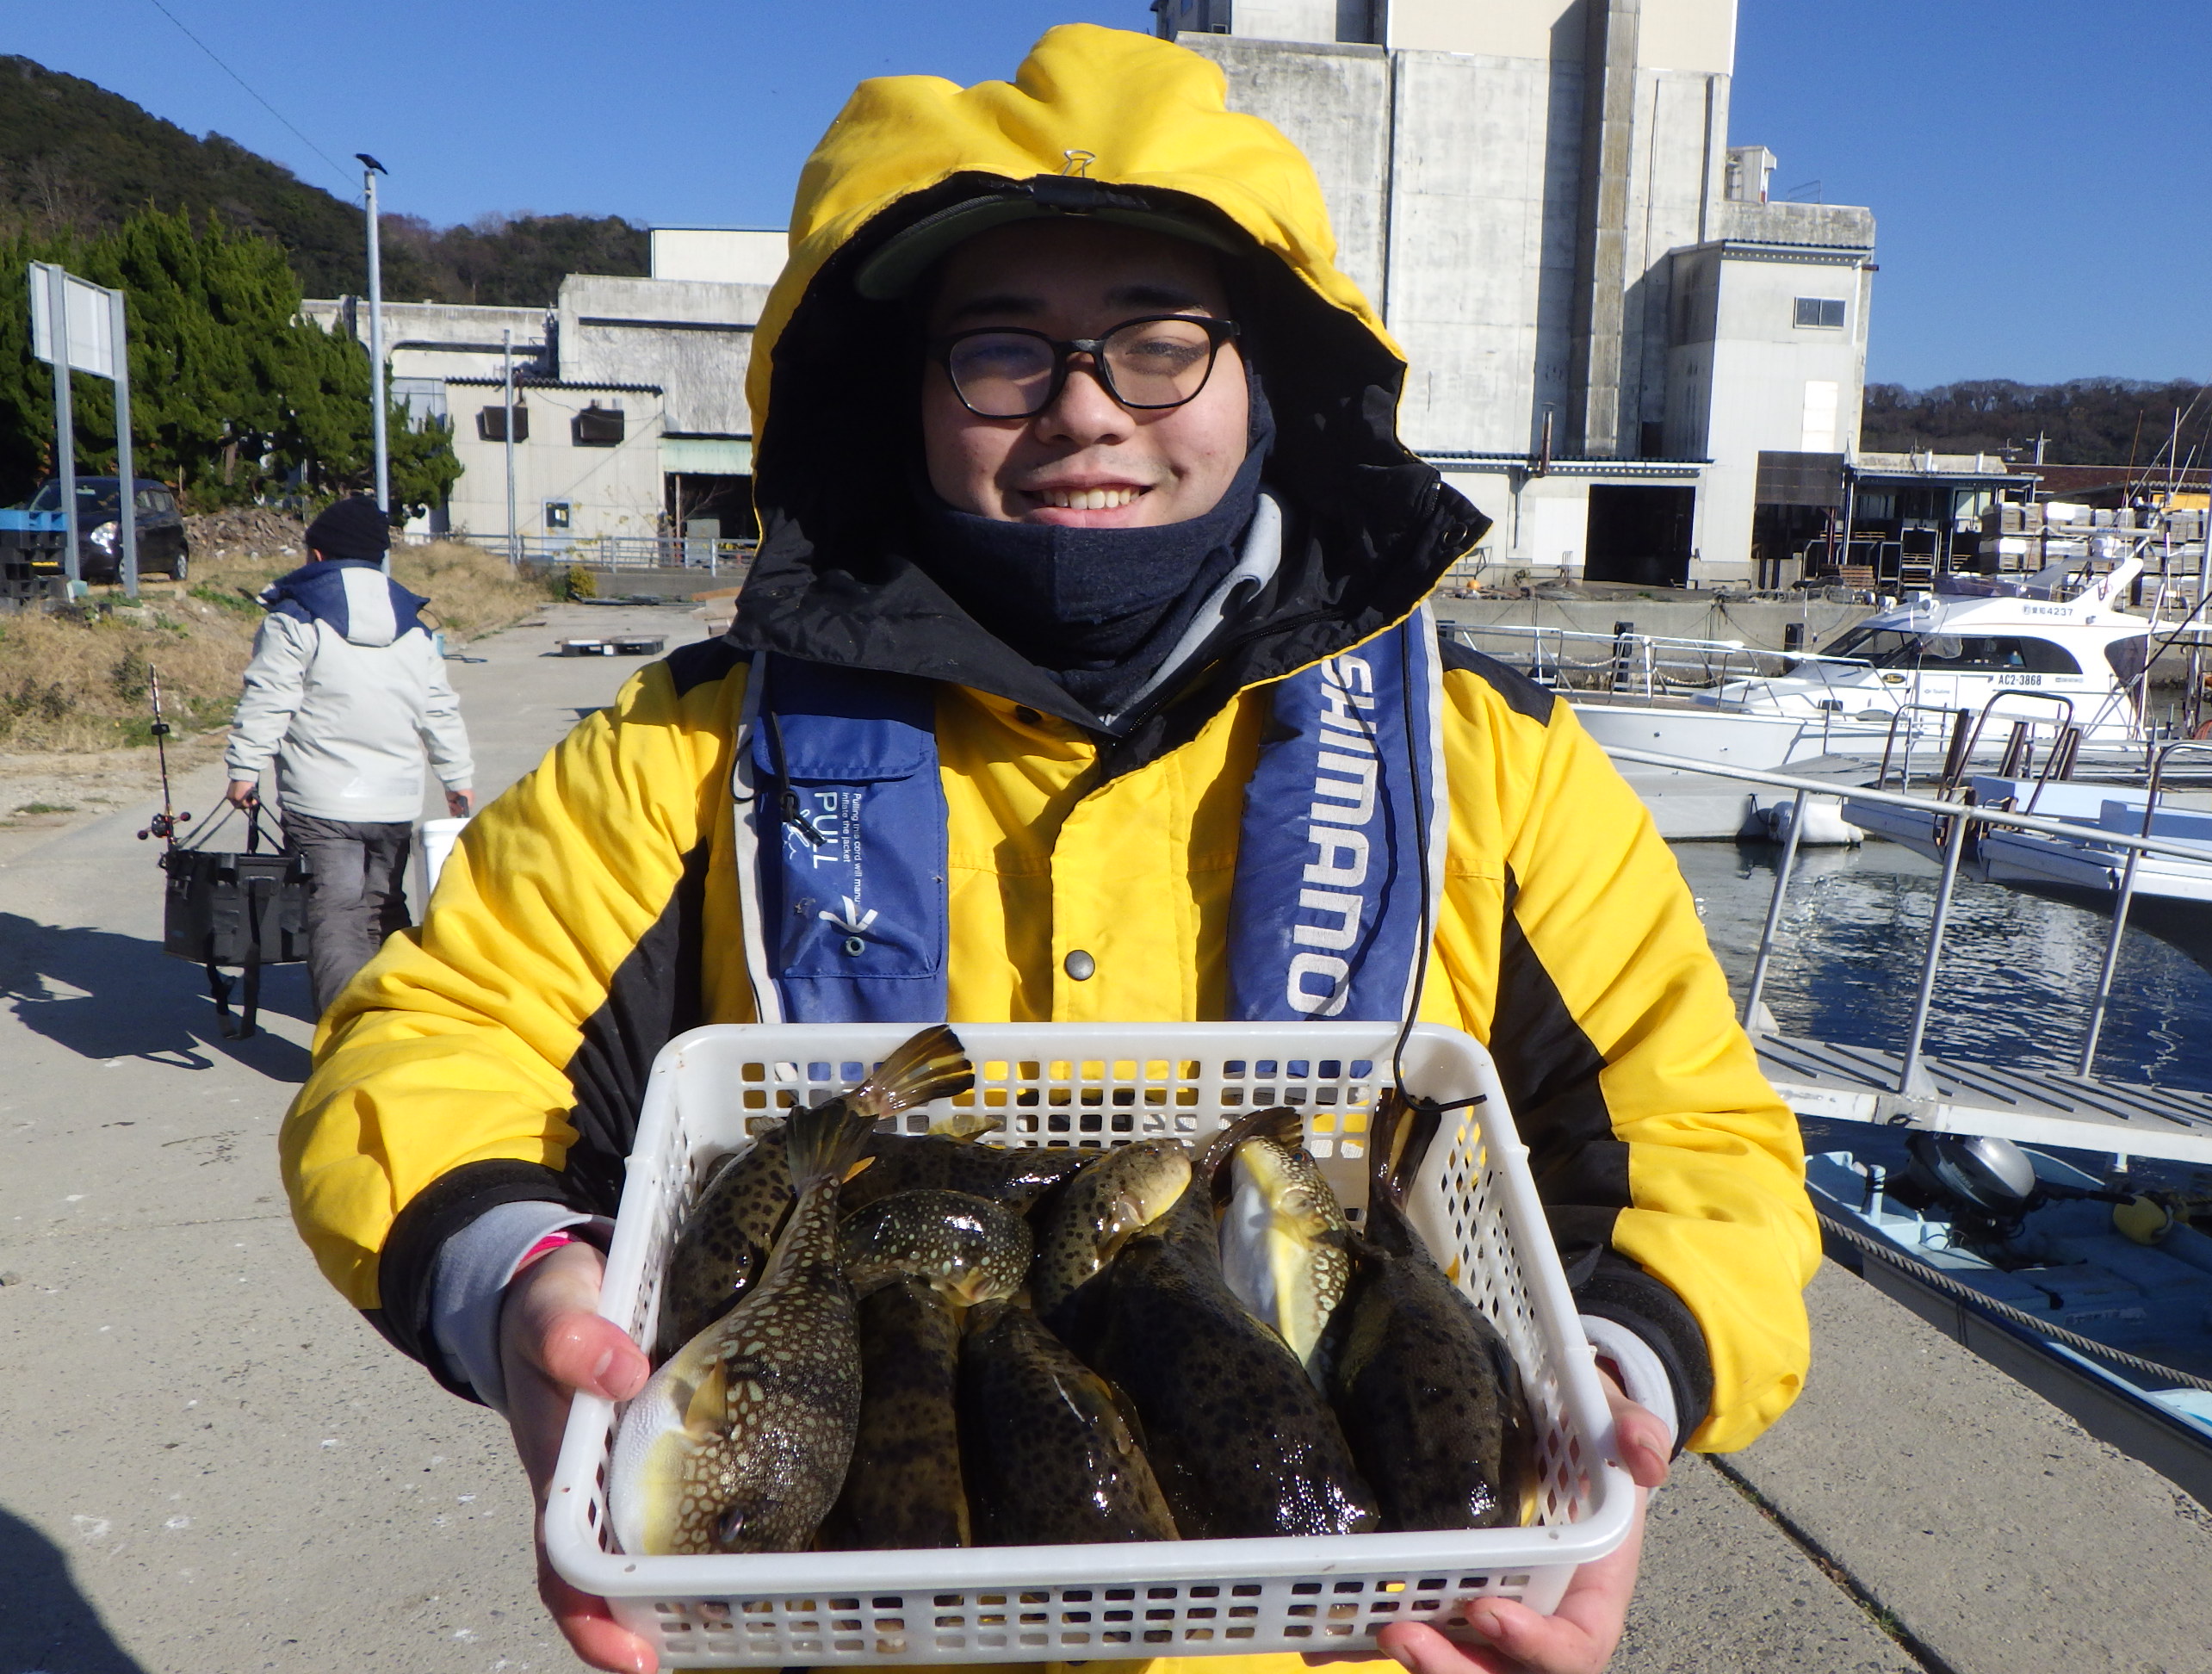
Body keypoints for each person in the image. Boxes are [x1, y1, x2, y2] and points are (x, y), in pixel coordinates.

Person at [279, 28, 1816, 1674]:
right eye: (1002, 350)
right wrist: (519, 1282)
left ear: (1264, 374)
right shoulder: (688, 748)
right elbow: (436, 1039)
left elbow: (1697, 1140)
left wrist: (1617, 1374)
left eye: (1159, 341)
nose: (1084, 409)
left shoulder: (1488, 760)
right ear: (904, 391)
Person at [224, 495, 474, 1015]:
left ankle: (345, 1034)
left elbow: (270, 696)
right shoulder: (413, 625)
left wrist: (245, 768)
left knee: (336, 912)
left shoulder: (296, 617)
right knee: (383, 908)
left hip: (322, 799)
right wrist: (456, 778)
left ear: (317, 555)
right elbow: (438, 708)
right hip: (394, 800)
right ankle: (396, 1024)